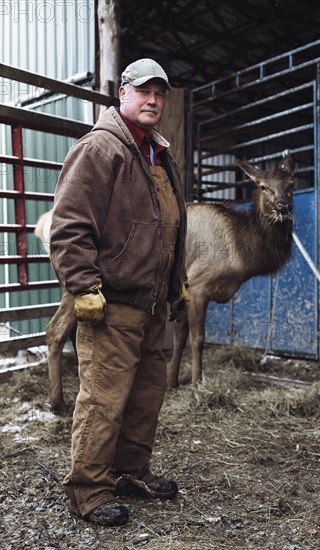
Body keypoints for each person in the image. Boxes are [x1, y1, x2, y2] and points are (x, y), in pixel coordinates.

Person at [50, 58, 188, 526]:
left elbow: (169, 229)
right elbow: (69, 226)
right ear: (122, 93)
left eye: (160, 93)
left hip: (152, 305)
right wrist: (83, 287)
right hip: (111, 305)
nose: (153, 100)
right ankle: (88, 491)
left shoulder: (157, 152)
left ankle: (130, 472)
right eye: (144, 91)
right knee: (104, 400)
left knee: (147, 395)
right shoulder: (101, 148)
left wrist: (178, 283)